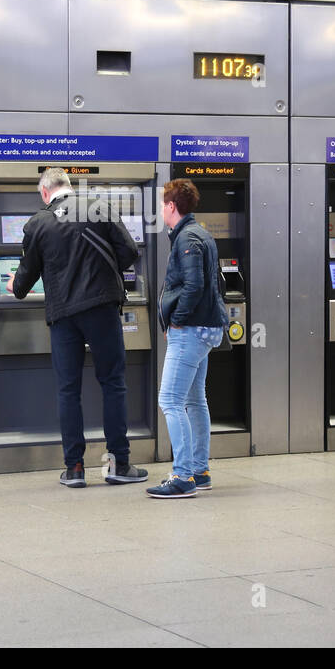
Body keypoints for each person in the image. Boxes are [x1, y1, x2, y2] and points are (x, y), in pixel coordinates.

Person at [7, 167, 149, 488]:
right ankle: (118, 463)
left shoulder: (38, 224)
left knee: (68, 390)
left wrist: (17, 281)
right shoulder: (97, 207)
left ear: (45, 193)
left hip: (62, 316)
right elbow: (129, 251)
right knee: (112, 382)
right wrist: (102, 271)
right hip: (101, 308)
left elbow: (21, 284)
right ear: (70, 187)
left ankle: (74, 468)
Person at [146, 178, 227, 499]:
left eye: (162, 204)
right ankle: (199, 470)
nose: (160, 210)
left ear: (170, 206)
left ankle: (182, 476)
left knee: (170, 400)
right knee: (194, 400)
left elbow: (194, 285)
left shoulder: (187, 238)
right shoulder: (200, 233)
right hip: (206, 327)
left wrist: (176, 321)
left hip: (191, 329)